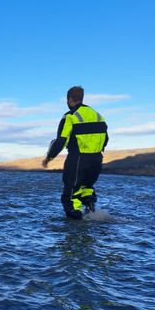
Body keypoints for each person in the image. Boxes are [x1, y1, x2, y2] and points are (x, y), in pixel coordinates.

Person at [41, 86, 108, 220]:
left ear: (70, 99)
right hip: (96, 159)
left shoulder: (70, 117)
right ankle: (91, 213)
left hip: (78, 158)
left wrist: (49, 157)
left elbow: (61, 141)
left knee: (71, 192)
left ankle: (74, 223)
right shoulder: (98, 115)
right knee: (87, 187)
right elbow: (105, 139)